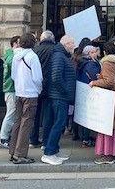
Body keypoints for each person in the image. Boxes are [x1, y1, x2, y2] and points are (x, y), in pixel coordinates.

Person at [41, 35, 77, 166]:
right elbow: (56, 77)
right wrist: (66, 91)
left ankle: (53, 150)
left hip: (58, 96)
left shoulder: (61, 55)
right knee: (59, 124)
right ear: (66, 44)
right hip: (59, 96)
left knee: (55, 123)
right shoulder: (59, 56)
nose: (74, 46)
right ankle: (49, 152)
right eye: (72, 43)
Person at [8, 34, 43, 164]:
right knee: (26, 124)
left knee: (17, 122)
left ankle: (13, 151)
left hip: (19, 92)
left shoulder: (16, 57)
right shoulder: (33, 57)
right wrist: (38, 89)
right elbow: (37, 78)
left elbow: (13, 76)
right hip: (30, 94)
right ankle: (20, 154)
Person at [90, 50, 115, 164]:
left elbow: (109, 82)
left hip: (109, 101)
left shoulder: (107, 63)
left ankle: (108, 155)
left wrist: (94, 82)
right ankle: (112, 153)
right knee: (112, 128)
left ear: (104, 52)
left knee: (107, 128)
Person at [32, 30, 57, 148]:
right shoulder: (56, 50)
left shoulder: (35, 50)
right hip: (51, 86)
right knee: (48, 115)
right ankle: (46, 141)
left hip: (36, 85)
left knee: (34, 114)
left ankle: (33, 138)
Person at [77, 45, 101, 147]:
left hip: (84, 90)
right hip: (90, 91)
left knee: (84, 115)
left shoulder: (83, 62)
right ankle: (86, 138)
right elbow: (95, 77)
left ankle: (84, 137)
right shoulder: (91, 64)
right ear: (89, 53)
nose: (96, 53)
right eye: (94, 51)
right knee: (89, 116)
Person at [0, 35, 21, 149]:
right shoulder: (11, 56)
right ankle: (3, 138)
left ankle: (8, 136)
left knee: (13, 113)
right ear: (15, 44)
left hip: (12, 89)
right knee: (11, 113)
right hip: (11, 89)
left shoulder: (9, 55)